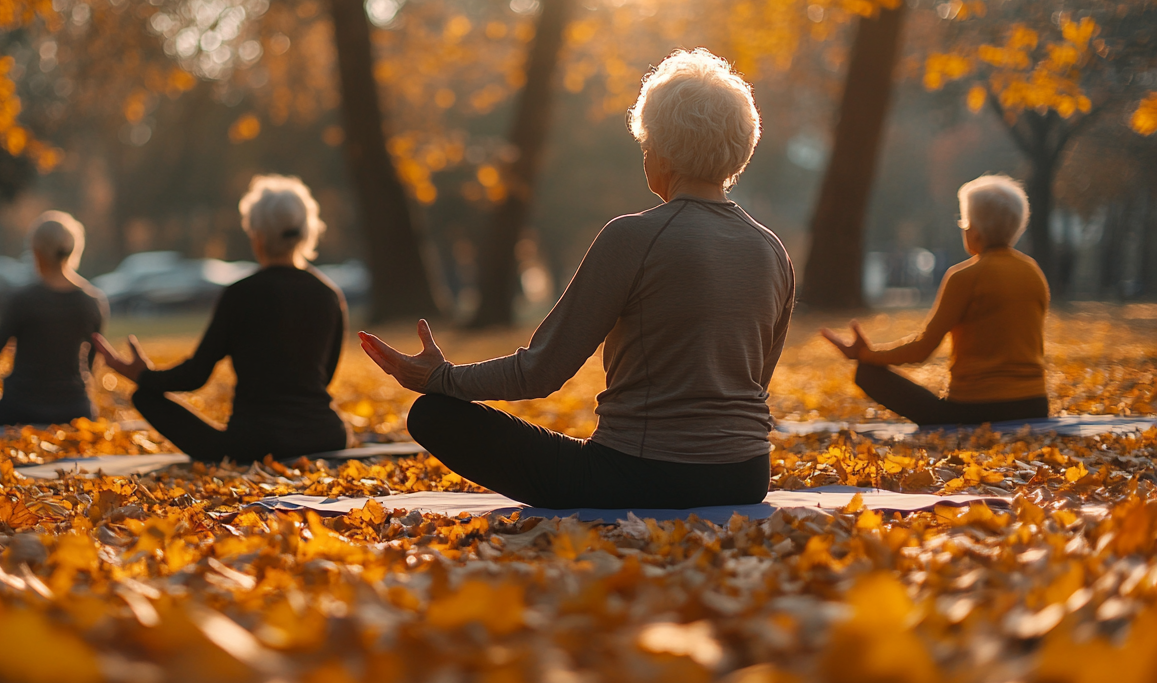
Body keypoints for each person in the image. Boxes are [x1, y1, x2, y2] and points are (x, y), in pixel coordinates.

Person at [361, 49, 794, 509]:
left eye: (646, 145)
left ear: (662, 154)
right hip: (746, 475)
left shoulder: (633, 237)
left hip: (641, 476)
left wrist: (442, 378)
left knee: (433, 416)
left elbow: (541, 372)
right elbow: (754, 384)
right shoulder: (772, 251)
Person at [93, 175, 348, 462]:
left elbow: (195, 376)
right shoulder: (329, 295)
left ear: (258, 236)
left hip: (253, 443)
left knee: (144, 397)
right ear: (306, 233)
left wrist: (143, 376)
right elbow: (324, 376)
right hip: (325, 435)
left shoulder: (240, 294)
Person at [821, 174, 1049, 426]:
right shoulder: (1033, 272)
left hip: (976, 411)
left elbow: (922, 349)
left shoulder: (964, 276)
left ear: (975, 230)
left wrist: (866, 355)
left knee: (868, 375)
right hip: (1035, 405)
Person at [0, 212, 107, 426]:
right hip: (75, 410)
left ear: (35, 251)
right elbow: (90, 366)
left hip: (21, 410)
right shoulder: (93, 301)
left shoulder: (22, 300)